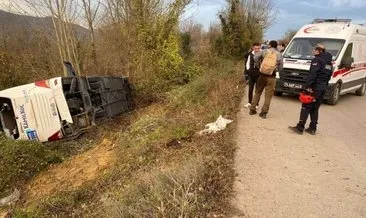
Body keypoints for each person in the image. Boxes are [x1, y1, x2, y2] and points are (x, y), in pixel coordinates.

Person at [289, 44, 333, 135]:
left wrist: (306, 87)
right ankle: (313, 128)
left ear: (318, 51)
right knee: (315, 108)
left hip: (315, 87)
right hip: (323, 87)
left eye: (314, 50)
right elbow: (329, 76)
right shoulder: (329, 63)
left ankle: (300, 127)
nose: (313, 51)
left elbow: (312, 75)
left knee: (306, 106)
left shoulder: (317, 60)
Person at [249, 40, 283, 119]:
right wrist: (275, 69)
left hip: (262, 76)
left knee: (257, 92)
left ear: (270, 45)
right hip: (272, 77)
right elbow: (281, 67)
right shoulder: (279, 54)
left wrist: (259, 66)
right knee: (268, 96)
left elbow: (255, 57)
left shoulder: (264, 51)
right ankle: (264, 113)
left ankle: (252, 109)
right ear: (276, 46)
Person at [243, 42, 261, 108]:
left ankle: (256, 104)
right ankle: (249, 102)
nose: (257, 50)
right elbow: (247, 63)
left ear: (260, 47)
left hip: (259, 75)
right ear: (253, 48)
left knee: (257, 90)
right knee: (250, 89)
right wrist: (248, 71)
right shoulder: (250, 54)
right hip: (251, 74)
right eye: (255, 48)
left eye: (258, 48)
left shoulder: (261, 55)